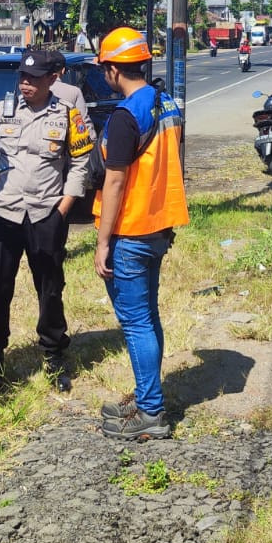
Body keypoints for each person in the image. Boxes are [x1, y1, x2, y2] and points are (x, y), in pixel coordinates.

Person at [0, 47, 94, 395]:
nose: (25, 84)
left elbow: (82, 162)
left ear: (52, 79)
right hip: (4, 213)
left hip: (45, 214)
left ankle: (54, 357)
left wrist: (64, 207)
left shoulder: (68, 114)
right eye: (22, 77)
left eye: (33, 79)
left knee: (50, 290)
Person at [93, 28, 189, 441]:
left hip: (130, 231)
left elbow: (114, 183)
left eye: (104, 68)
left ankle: (151, 411)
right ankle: (148, 393)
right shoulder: (166, 103)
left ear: (113, 70)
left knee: (135, 323)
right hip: (159, 225)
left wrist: (102, 243)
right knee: (147, 317)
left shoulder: (126, 116)